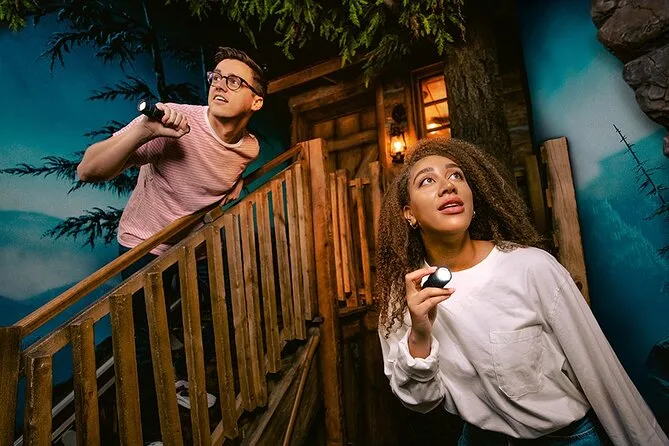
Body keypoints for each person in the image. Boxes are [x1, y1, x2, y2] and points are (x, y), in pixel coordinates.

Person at [376, 137, 669, 445]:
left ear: (472, 201)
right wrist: (420, 334)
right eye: (427, 180)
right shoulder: (406, 298)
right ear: (408, 214)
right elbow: (422, 401)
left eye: (456, 176)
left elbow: (600, 372)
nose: (448, 186)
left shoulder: (530, 267)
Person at [77, 46, 266, 443]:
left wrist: (235, 184)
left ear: (256, 101)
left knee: (212, 312)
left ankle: (182, 382)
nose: (220, 85)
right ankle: (153, 433)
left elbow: (227, 164)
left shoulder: (250, 148)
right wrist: (143, 132)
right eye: (216, 76)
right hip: (142, 244)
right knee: (146, 341)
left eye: (234, 81)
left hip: (190, 246)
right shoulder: (174, 123)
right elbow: (88, 169)